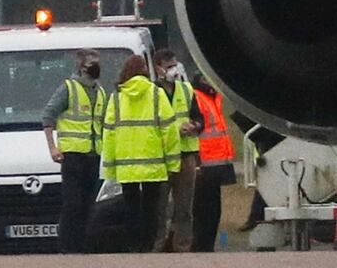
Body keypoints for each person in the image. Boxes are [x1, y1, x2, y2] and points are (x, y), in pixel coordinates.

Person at [102, 55, 181, 253]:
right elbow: (169, 131)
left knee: (131, 207)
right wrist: (172, 163)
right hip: (153, 164)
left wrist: (109, 169)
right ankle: (147, 245)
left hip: (126, 166)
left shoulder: (117, 98)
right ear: (145, 70)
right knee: (151, 208)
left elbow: (109, 134)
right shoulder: (157, 94)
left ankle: (132, 245)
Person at [41, 48, 106, 254]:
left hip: (94, 155)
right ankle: (67, 247)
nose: (96, 66)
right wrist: (52, 147)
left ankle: (82, 246)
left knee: (88, 204)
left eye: (97, 62)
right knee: (73, 204)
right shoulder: (69, 88)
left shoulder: (101, 91)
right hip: (72, 155)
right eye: (91, 63)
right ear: (80, 66)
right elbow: (48, 116)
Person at [153, 49, 203, 253]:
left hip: (185, 156)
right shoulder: (152, 92)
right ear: (158, 69)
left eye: (175, 65)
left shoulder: (186, 90)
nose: (173, 70)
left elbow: (200, 119)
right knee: (160, 207)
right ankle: (157, 245)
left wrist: (194, 126)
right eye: (168, 67)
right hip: (162, 158)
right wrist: (176, 130)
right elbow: (151, 125)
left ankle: (182, 247)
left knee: (184, 208)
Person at [190, 72, 237, 252]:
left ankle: (207, 245)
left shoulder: (213, 98)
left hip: (217, 162)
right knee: (204, 209)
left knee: (214, 209)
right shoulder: (199, 98)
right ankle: (201, 245)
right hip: (205, 162)